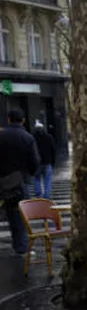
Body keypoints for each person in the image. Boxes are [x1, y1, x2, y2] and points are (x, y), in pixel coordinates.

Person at [0, 108, 40, 256]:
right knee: (20, 214)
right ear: (22, 120)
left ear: (9, 119)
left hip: (2, 180)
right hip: (20, 181)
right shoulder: (27, 137)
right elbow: (34, 162)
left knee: (10, 212)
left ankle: (18, 243)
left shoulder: (1, 136)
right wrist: (29, 173)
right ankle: (21, 245)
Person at [33, 120, 56, 198]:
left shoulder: (32, 138)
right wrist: (53, 162)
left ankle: (38, 195)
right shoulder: (49, 137)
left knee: (37, 179)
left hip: (37, 163)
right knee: (47, 180)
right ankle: (47, 196)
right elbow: (53, 150)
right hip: (47, 162)